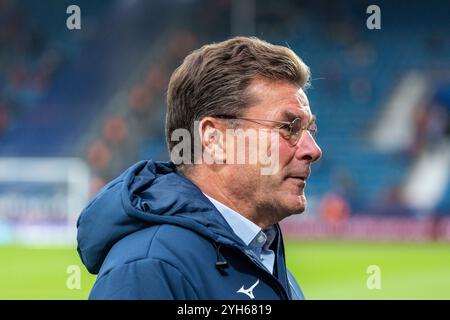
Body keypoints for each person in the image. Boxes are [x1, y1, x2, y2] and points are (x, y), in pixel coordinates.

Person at [77, 36, 322, 300]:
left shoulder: (263, 259)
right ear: (214, 139)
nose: (313, 150)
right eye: (288, 128)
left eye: (310, 130)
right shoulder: (149, 270)